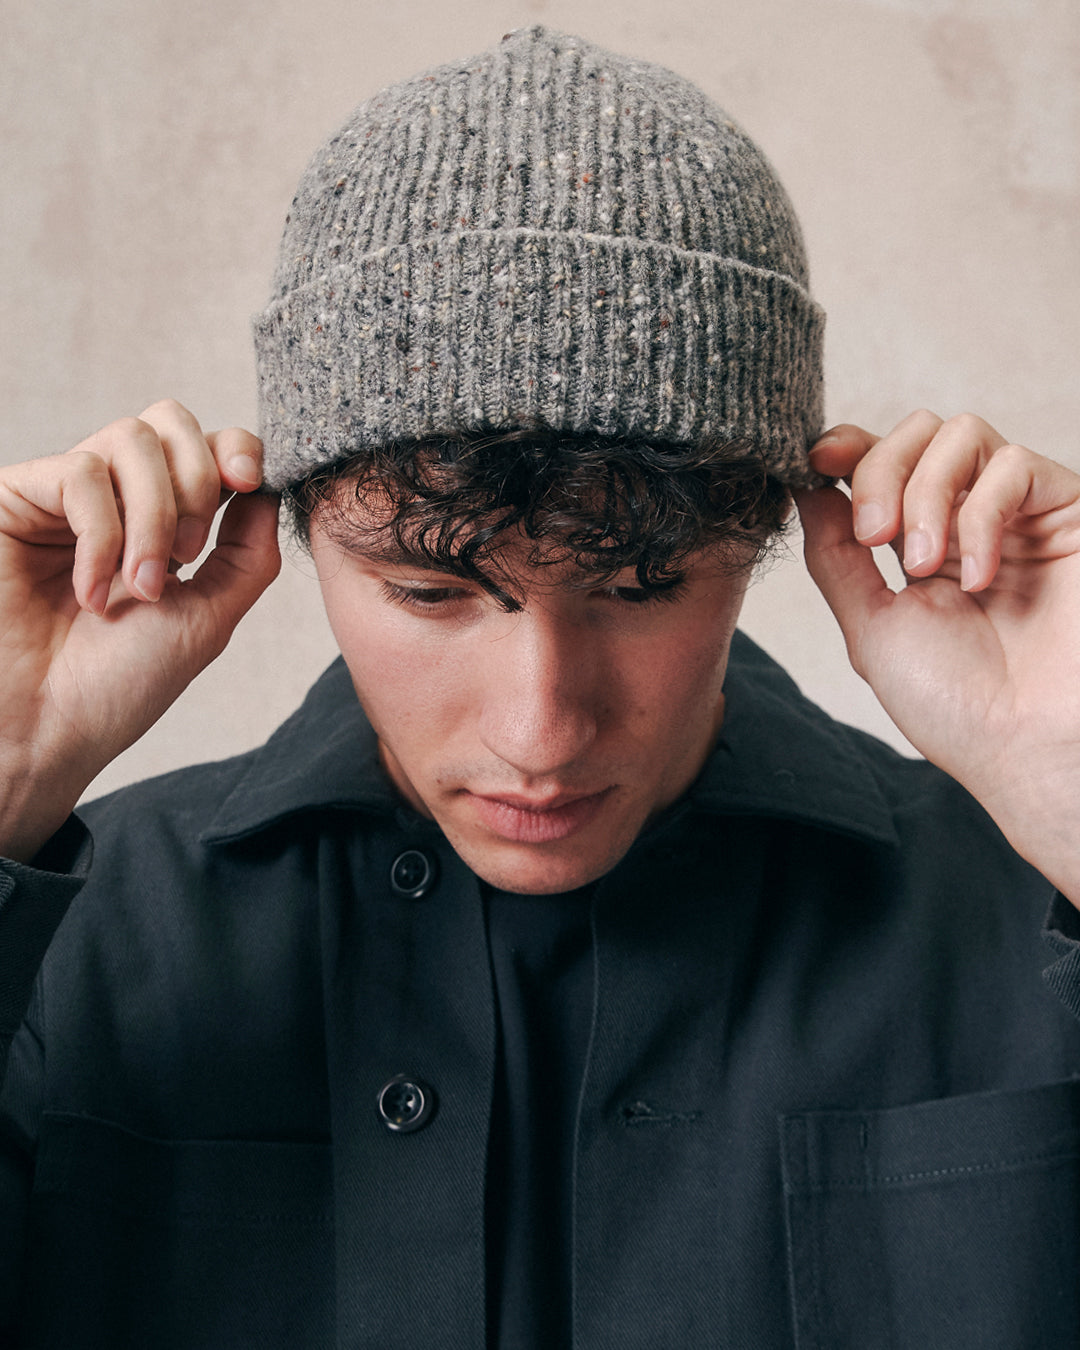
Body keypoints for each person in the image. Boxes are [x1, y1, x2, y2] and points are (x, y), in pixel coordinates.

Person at [2, 24, 1080, 1349]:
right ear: (293, 538)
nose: (540, 729)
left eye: (639, 589)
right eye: (432, 593)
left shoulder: (1028, 916)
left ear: (764, 540)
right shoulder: (79, 948)